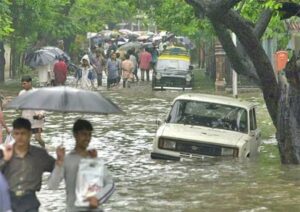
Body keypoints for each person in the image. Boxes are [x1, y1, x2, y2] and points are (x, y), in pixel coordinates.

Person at [48, 119, 115, 212]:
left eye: (89, 134)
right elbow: (52, 186)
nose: (87, 138)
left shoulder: (94, 159)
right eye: (84, 134)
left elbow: (110, 184)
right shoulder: (66, 160)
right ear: (75, 135)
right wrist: (59, 162)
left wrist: (98, 198)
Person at [0, 117, 60, 212]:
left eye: (23, 133)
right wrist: (5, 160)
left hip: (30, 201)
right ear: (13, 134)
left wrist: (60, 160)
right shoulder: (4, 152)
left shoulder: (39, 154)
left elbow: (56, 170)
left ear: (30, 134)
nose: (19, 137)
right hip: (8, 200)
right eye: (16, 133)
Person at [19, 76, 46, 148]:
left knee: (38, 138)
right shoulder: (21, 93)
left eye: (24, 84)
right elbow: (19, 105)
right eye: (22, 84)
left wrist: (41, 114)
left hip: (36, 118)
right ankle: (27, 155)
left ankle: (44, 149)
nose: (23, 86)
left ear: (30, 83)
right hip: (26, 118)